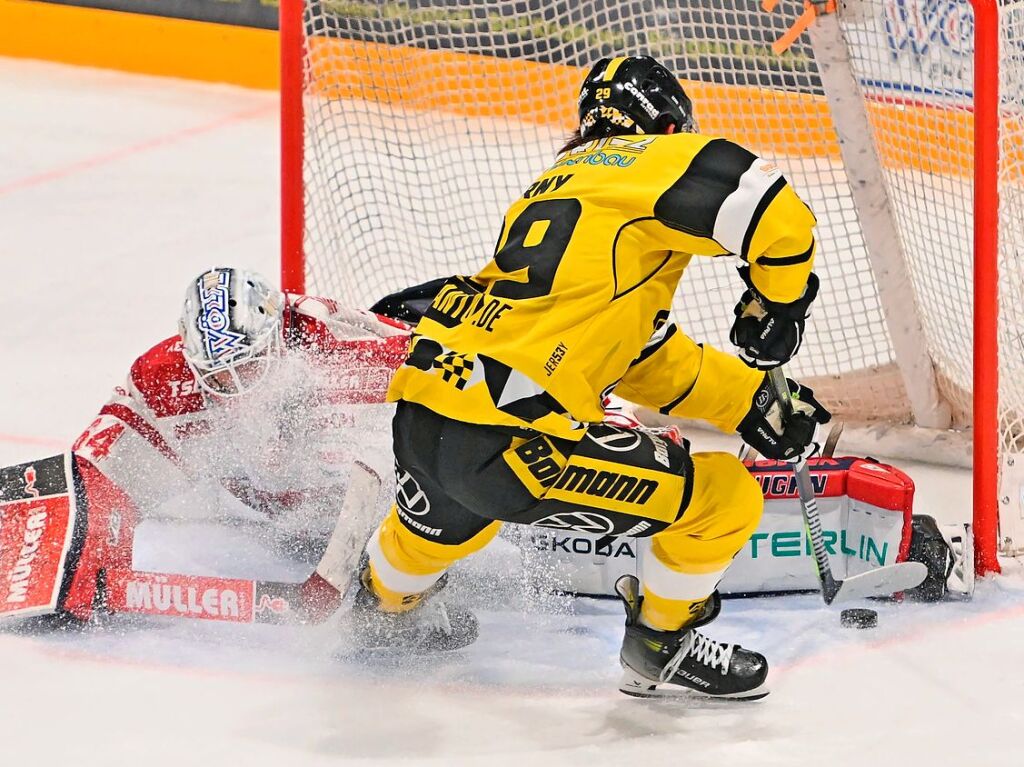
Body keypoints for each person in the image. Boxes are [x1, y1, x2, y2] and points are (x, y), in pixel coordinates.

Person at [355, 56, 830, 700]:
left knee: (443, 521)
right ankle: (662, 645)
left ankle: (380, 606)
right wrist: (779, 306)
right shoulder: (651, 159)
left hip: (426, 408)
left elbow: (636, 356)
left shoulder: (553, 184)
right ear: (668, 125)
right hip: (509, 443)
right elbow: (776, 212)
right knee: (725, 496)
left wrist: (749, 401)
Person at [72, 267, 409, 556]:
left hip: (385, 522)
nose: (233, 385)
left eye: (247, 364)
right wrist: (84, 529)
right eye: (216, 372)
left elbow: (439, 369)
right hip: (283, 527)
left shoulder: (336, 344)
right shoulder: (163, 376)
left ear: (276, 337)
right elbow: (95, 468)